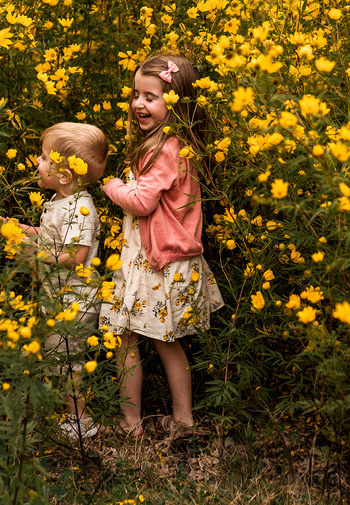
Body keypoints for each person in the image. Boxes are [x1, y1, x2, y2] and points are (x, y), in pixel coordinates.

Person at [99, 53, 224, 437]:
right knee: (167, 343)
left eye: (151, 97)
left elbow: (141, 202)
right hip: (165, 259)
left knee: (126, 340)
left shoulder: (166, 149)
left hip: (154, 264)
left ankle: (131, 422)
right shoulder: (178, 144)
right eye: (136, 94)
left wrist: (110, 185)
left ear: (177, 101)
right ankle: (183, 420)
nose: (139, 103)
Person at [21, 121, 108, 441]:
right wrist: (18, 229)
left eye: (44, 158)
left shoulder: (81, 208)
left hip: (76, 302)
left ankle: (80, 420)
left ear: (65, 176)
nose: (37, 162)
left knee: (67, 362)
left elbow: (76, 255)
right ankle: (66, 412)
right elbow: (49, 237)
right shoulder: (61, 201)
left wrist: (35, 251)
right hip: (61, 299)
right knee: (57, 358)